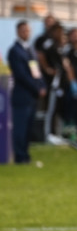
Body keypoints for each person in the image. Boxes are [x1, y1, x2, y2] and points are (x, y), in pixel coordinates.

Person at [7, 20, 46, 164]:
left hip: (32, 96)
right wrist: (37, 88)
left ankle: (26, 154)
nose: (26, 33)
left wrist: (42, 85)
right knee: (20, 128)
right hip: (22, 95)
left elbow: (36, 71)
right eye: (23, 30)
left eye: (28, 30)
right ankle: (20, 156)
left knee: (29, 127)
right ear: (18, 32)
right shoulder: (14, 51)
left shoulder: (30, 50)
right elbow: (21, 75)